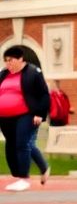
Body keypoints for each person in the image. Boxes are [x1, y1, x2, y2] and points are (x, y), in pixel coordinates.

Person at [0, 45, 51, 191]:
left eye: (11, 60)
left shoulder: (32, 72)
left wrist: (40, 114)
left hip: (27, 115)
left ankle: (24, 178)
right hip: (5, 117)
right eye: (6, 60)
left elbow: (44, 95)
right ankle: (19, 176)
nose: (8, 63)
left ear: (20, 59)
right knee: (11, 145)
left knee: (22, 144)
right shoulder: (3, 74)